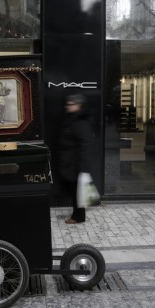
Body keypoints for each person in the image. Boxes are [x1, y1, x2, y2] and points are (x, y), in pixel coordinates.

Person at [58, 94, 94, 224]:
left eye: (71, 104)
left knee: (76, 192)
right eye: (67, 103)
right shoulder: (73, 118)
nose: (67, 106)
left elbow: (85, 145)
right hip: (69, 162)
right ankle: (77, 214)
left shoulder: (80, 122)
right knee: (73, 190)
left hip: (75, 164)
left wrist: (83, 168)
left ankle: (78, 217)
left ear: (78, 106)